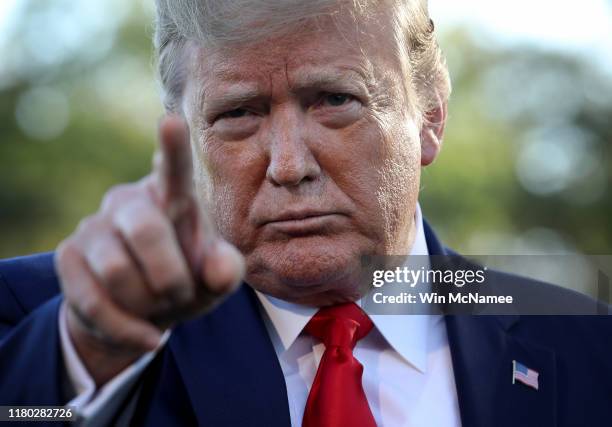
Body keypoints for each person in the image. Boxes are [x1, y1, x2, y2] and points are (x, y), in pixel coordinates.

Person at [0, 0, 611, 426]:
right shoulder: (49, 316)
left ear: (430, 118)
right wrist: (85, 358)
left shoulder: (588, 345)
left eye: (334, 100)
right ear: (184, 141)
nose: (289, 164)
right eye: (239, 113)